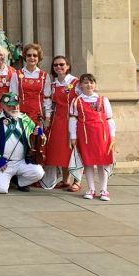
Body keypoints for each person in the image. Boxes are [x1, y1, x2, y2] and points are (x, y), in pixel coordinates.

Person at [0, 92, 45, 194]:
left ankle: (18, 181)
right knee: (1, 189)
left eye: (16, 105)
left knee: (39, 173)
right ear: (2, 105)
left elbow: (41, 141)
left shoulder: (25, 119)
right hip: (0, 163)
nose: (14, 108)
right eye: (10, 106)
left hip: (21, 162)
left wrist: (39, 134)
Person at [70, 74, 116, 201]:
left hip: (102, 135)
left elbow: (109, 118)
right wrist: (73, 136)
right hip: (85, 135)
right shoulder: (76, 101)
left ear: (94, 84)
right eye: (85, 82)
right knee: (88, 162)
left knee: (103, 161)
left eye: (91, 82)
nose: (89, 85)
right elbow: (73, 119)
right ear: (81, 85)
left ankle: (104, 190)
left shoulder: (103, 100)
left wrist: (112, 135)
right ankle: (91, 189)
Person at [43, 55, 81, 191]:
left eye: (62, 64)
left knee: (75, 150)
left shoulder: (76, 82)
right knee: (62, 151)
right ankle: (65, 180)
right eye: (56, 65)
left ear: (68, 66)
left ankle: (77, 181)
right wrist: (47, 119)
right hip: (58, 120)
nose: (59, 67)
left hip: (73, 119)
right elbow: (48, 103)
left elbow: (83, 100)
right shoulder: (53, 84)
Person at [18, 43, 49, 146]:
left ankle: (36, 162)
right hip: (21, 114)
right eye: (29, 55)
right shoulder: (17, 74)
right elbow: (13, 96)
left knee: (37, 142)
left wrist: (48, 117)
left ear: (39, 57)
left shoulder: (44, 76)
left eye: (35, 55)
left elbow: (47, 98)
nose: (32, 58)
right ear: (25, 57)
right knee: (21, 141)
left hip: (38, 116)